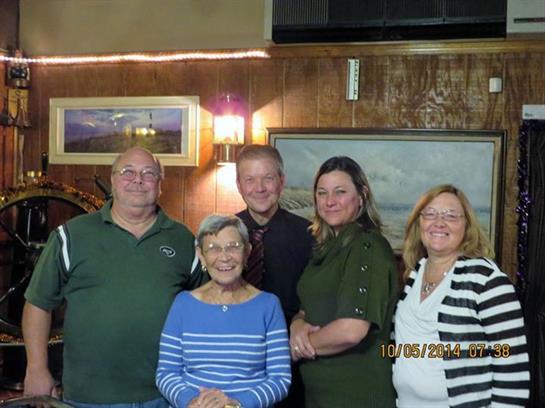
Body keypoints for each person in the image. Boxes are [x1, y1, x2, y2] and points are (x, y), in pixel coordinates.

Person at [22, 147, 207, 407]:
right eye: (127, 172)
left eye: (148, 173)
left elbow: (207, 307)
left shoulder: (183, 239)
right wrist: (36, 368)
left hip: (166, 394)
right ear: (113, 180)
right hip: (90, 397)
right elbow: (38, 305)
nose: (138, 180)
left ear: (160, 184)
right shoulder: (71, 236)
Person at [393, 184, 530, 407]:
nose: (439, 222)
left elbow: (512, 369)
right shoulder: (417, 271)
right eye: (430, 214)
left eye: (451, 215)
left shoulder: (486, 280)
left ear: (467, 226)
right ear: (419, 223)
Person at [289, 156, 398, 407]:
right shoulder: (327, 247)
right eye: (322, 193)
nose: (329, 201)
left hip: (357, 394)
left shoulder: (367, 245)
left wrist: (295, 348)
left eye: (340, 192)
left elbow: (351, 330)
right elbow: (308, 307)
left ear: (362, 196)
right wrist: (297, 325)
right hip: (319, 395)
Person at [156, 214, 291, 408]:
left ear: (247, 252)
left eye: (233, 246)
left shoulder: (268, 305)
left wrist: (235, 404)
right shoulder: (183, 304)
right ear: (201, 255)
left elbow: (280, 379)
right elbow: (166, 373)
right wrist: (191, 401)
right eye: (213, 248)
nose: (224, 257)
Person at [235, 145, 313, 406]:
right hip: (235, 362)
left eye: (268, 178)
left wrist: (301, 318)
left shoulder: (309, 236)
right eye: (250, 179)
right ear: (239, 185)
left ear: (281, 181)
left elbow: (319, 296)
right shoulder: (222, 234)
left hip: (292, 362)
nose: (259, 188)